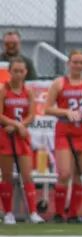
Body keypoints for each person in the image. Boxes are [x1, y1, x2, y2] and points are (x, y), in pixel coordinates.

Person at [44, 49, 82, 223]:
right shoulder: (59, 83)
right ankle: (59, 213)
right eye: (75, 62)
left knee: (80, 175)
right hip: (65, 132)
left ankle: (73, 214)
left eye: (81, 62)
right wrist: (66, 112)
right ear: (69, 63)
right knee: (64, 174)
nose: (78, 65)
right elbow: (47, 108)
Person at [0, 57, 43, 224]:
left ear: (26, 72)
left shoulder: (29, 91)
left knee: (27, 174)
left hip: (21, 135)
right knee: (7, 175)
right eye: (15, 71)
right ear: (10, 71)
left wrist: (20, 126)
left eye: (21, 71)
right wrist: (14, 124)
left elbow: (31, 115)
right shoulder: (3, 90)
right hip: (5, 135)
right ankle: (8, 213)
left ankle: (33, 212)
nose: (18, 74)